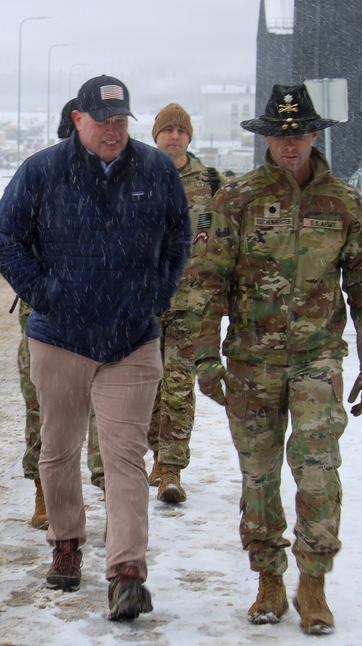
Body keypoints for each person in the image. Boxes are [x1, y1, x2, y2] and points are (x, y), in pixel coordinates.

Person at [180, 84, 362, 634]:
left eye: (298, 134)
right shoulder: (238, 199)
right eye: (279, 135)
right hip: (252, 361)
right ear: (266, 138)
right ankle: (268, 577)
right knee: (258, 474)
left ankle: (313, 582)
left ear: (314, 134)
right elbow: (206, 280)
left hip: (317, 358)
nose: (289, 144)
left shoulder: (343, 202)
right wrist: (205, 357)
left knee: (317, 469)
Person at [0, 75, 192, 621]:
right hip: (60, 339)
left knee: (125, 457)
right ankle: (66, 543)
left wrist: (157, 294)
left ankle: (127, 573)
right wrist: (45, 293)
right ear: (78, 120)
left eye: (120, 121)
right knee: (58, 450)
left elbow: (180, 236)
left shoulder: (156, 171)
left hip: (131, 341)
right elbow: (3, 240)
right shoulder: (42, 171)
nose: (112, 131)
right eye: (102, 121)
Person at [19, 98, 104, 531]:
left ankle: (110, 491)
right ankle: (45, 492)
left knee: (106, 412)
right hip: (46, 315)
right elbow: (10, 240)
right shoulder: (39, 177)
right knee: (43, 405)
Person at [148, 103, 225, 505]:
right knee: (147, 388)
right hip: (143, 306)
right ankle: (156, 453)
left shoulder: (212, 184)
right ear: (156, 136)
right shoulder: (137, 177)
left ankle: (171, 468)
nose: (174, 136)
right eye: (168, 130)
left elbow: (229, 241)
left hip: (191, 306)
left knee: (178, 387)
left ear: (189, 137)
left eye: (181, 130)